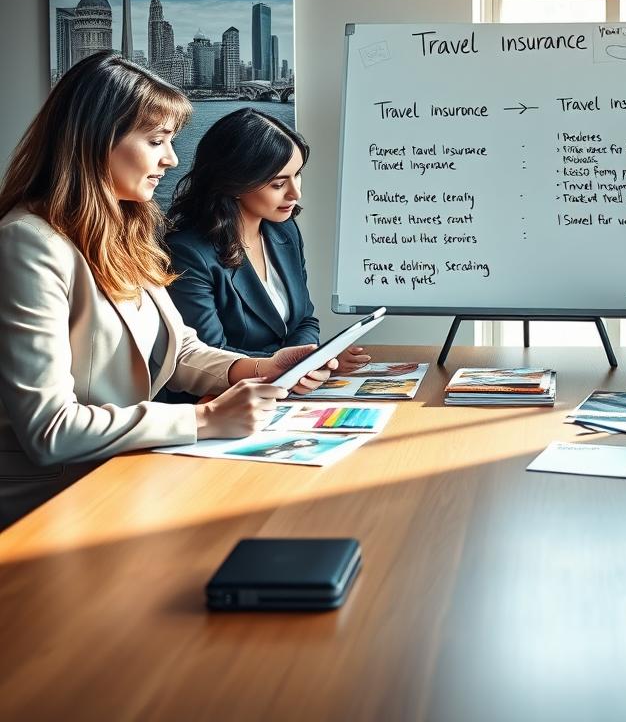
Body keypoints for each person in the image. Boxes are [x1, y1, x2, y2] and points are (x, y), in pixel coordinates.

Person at [0, 53, 338, 527]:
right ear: (94, 141)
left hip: (126, 476)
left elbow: (177, 350)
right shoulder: (28, 243)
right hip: (58, 501)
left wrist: (261, 367)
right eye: (157, 140)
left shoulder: (122, 229)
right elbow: (51, 429)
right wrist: (203, 421)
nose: (172, 159)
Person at [164, 108, 370, 370]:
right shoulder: (188, 253)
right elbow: (209, 356)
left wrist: (310, 360)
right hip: (222, 398)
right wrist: (296, 366)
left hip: (284, 390)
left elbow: (304, 320)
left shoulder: (284, 231)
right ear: (236, 183)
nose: (296, 193)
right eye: (278, 183)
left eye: (297, 175)